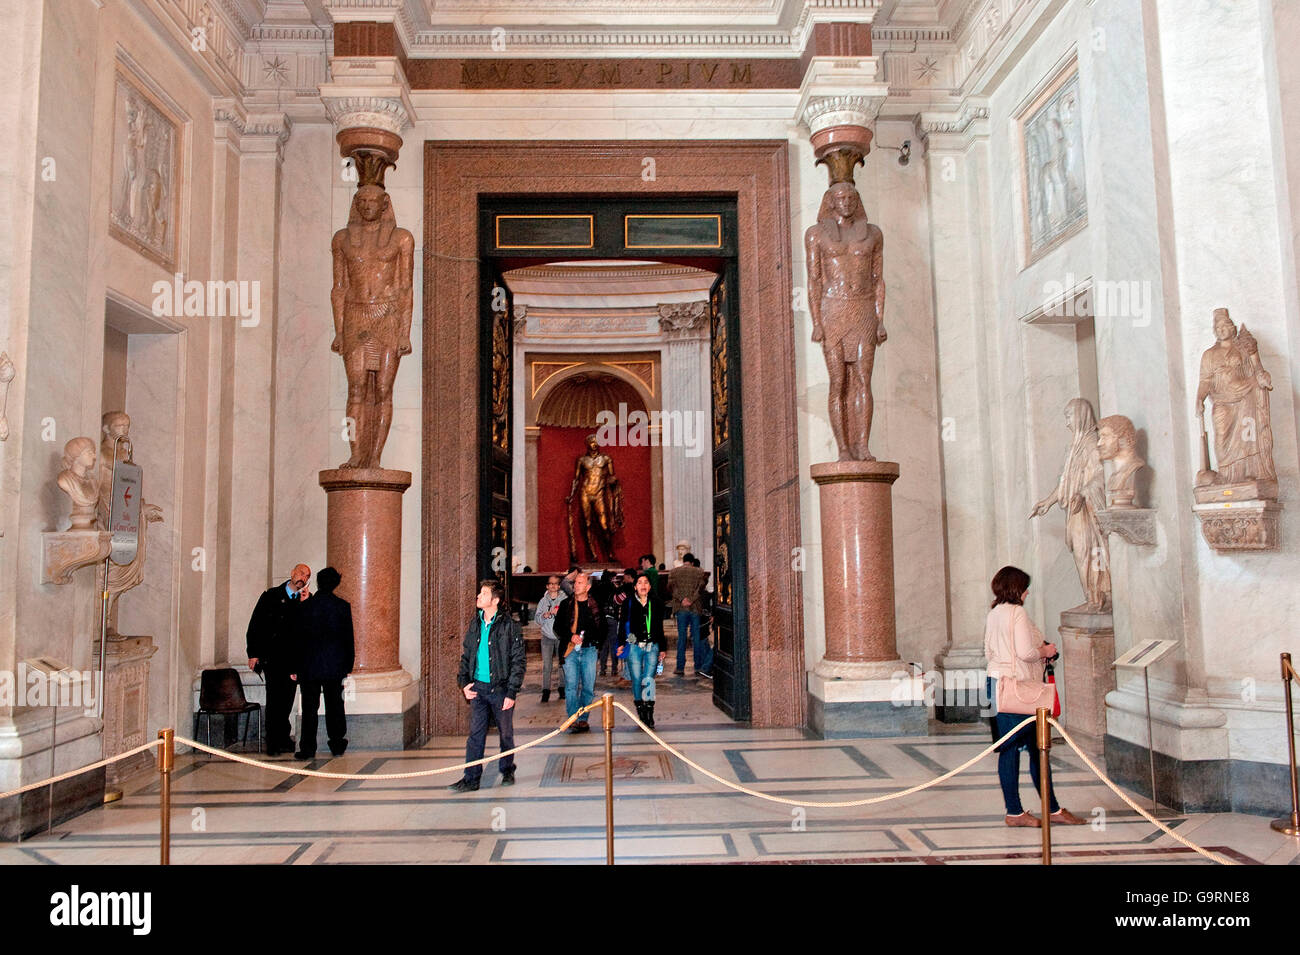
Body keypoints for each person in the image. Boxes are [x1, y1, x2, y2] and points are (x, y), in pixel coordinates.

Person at [983, 565, 1084, 828]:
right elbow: (1027, 652)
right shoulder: (1016, 612)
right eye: (1025, 586)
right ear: (1017, 588)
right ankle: (1028, 811)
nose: (1028, 592)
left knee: (1013, 750)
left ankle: (1030, 810)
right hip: (1019, 688)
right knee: (1034, 750)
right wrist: (1046, 649)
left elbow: (988, 651)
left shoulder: (994, 613)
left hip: (997, 683)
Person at [804, 180, 886, 462]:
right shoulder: (816, 234)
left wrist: (880, 319)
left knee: (864, 379)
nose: (846, 201)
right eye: (840, 197)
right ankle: (843, 448)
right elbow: (814, 280)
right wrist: (816, 321)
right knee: (838, 381)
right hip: (833, 308)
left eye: (851, 197)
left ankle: (862, 445)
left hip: (863, 307)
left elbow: (878, 279)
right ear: (831, 201)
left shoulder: (873, 234)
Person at [1029, 398, 1111, 612]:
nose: (1067, 423)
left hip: (1088, 511)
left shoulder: (1093, 444)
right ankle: (1090, 597)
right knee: (1080, 552)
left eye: (1068, 416)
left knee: (1091, 552)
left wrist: (1083, 494)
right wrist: (1048, 502)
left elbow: (1100, 477)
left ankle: (1098, 597)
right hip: (1076, 511)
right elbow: (1066, 481)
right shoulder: (1075, 447)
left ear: (1080, 415)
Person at [449, 579, 526, 792]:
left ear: (495, 600)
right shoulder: (475, 624)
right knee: (475, 735)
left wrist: (512, 691)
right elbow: (466, 655)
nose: (478, 596)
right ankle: (471, 778)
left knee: (505, 733)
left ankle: (507, 768)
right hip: (478, 688)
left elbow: (518, 661)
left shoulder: (510, 626)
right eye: (480, 593)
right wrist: (464, 682)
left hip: (501, 689)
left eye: (483, 594)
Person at [246, 564, 311, 755]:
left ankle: (284, 737)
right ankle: (273, 742)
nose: (302, 578)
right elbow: (256, 624)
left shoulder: (306, 599)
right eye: (300, 573)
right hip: (272, 658)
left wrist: (306, 604)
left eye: (306, 576)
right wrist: (253, 653)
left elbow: (307, 630)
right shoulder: (270, 596)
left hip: (293, 661)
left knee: (287, 701)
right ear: (292, 573)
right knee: (274, 700)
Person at [291, 567, 354, 759]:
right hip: (334, 666)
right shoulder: (342, 606)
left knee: (310, 707)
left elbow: (298, 639)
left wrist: (295, 666)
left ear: (318, 582)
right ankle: (337, 744)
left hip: (309, 666)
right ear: (335, 584)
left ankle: (308, 748)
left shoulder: (307, 606)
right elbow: (347, 639)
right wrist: (347, 665)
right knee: (335, 705)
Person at [555, 571, 604, 733]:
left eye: (580, 583)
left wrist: (591, 639)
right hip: (571, 650)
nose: (576, 586)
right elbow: (558, 627)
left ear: (588, 587)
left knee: (588, 687)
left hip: (589, 649)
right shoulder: (565, 605)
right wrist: (571, 636)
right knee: (571, 686)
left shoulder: (596, 605)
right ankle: (573, 718)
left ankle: (583, 718)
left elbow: (602, 628)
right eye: (575, 583)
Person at [618, 572, 667, 728]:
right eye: (640, 582)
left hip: (653, 645)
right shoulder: (628, 602)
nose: (643, 585)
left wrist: (663, 647)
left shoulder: (657, 602)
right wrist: (622, 643)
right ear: (635, 587)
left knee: (649, 679)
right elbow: (623, 624)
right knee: (637, 679)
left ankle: (649, 710)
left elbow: (659, 626)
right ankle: (640, 709)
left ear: (650, 586)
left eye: (646, 582)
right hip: (634, 645)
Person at [668, 552, 712, 678]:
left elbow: (671, 588)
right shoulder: (699, 572)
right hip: (695, 609)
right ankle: (698, 666)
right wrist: (691, 599)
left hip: (681, 608)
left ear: (683, 561)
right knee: (696, 638)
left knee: (681, 638)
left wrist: (682, 599)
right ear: (692, 562)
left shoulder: (674, 572)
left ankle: (680, 667)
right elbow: (701, 588)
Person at [534, 575, 565, 703]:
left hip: (560, 636)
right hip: (546, 636)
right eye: (550, 584)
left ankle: (562, 688)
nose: (553, 586)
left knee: (562, 664)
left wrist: (560, 614)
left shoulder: (564, 600)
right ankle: (546, 690)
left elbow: (568, 617)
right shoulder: (543, 601)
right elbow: (537, 619)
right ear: (547, 586)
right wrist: (543, 615)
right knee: (547, 665)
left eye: (555, 584)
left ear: (559, 586)